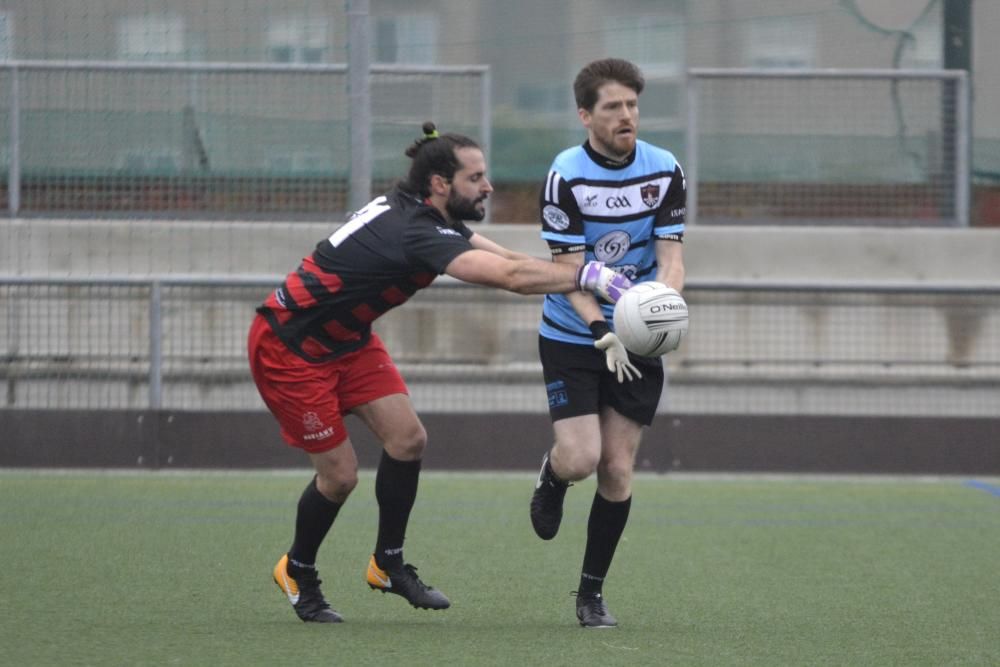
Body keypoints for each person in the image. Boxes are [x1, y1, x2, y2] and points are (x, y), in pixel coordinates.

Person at [249, 121, 631, 624]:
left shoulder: (429, 216)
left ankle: (387, 564)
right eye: (476, 178)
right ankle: (298, 569)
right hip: (289, 347)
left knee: (408, 440)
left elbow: (513, 258)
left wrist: (581, 276)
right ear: (440, 184)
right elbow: (512, 279)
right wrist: (589, 274)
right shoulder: (417, 231)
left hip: (347, 340)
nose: (488, 186)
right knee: (340, 476)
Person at [530, 58, 687, 628]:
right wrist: (601, 329)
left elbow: (671, 259)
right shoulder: (565, 174)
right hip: (574, 333)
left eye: (633, 106)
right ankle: (552, 477)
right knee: (580, 458)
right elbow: (567, 271)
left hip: (637, 340)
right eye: (613, 107)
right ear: (585, 114)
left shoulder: (665, 168)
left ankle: (590, 594)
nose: (627, 116)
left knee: (617, 470)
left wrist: (658, 310)